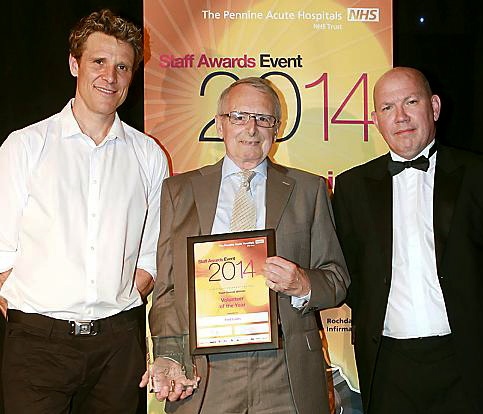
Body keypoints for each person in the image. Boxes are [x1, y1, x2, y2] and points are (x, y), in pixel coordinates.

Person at [144, 77, 350, 414]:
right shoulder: (178, 192)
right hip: (205, 370)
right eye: (239, 117)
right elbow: (166, 290)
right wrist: (169, 353)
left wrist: (302, 283)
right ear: (220, 123)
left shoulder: (308, 190)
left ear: (276, 128)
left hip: (284, 368)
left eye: (264, 119)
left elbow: (337, 279)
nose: (251, 129)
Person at [0, 9, 168, 413]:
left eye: (123, 66)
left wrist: (117, 305)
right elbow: (1, 251)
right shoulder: (25, 146)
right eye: (99, 62)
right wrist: (41, 315)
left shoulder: (149, 156)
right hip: (38, 346)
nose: (110, 77)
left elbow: (153, 252)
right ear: (74, 63)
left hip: (119, 345)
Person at [332, 67, 483, 414]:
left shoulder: (475, 175)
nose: (400, 117)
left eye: (410, 102)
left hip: (465, 361)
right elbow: (347, 271)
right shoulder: (352, 188)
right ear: (376, 120)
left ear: (434, 107)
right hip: (387, 366)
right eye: (387, 108)